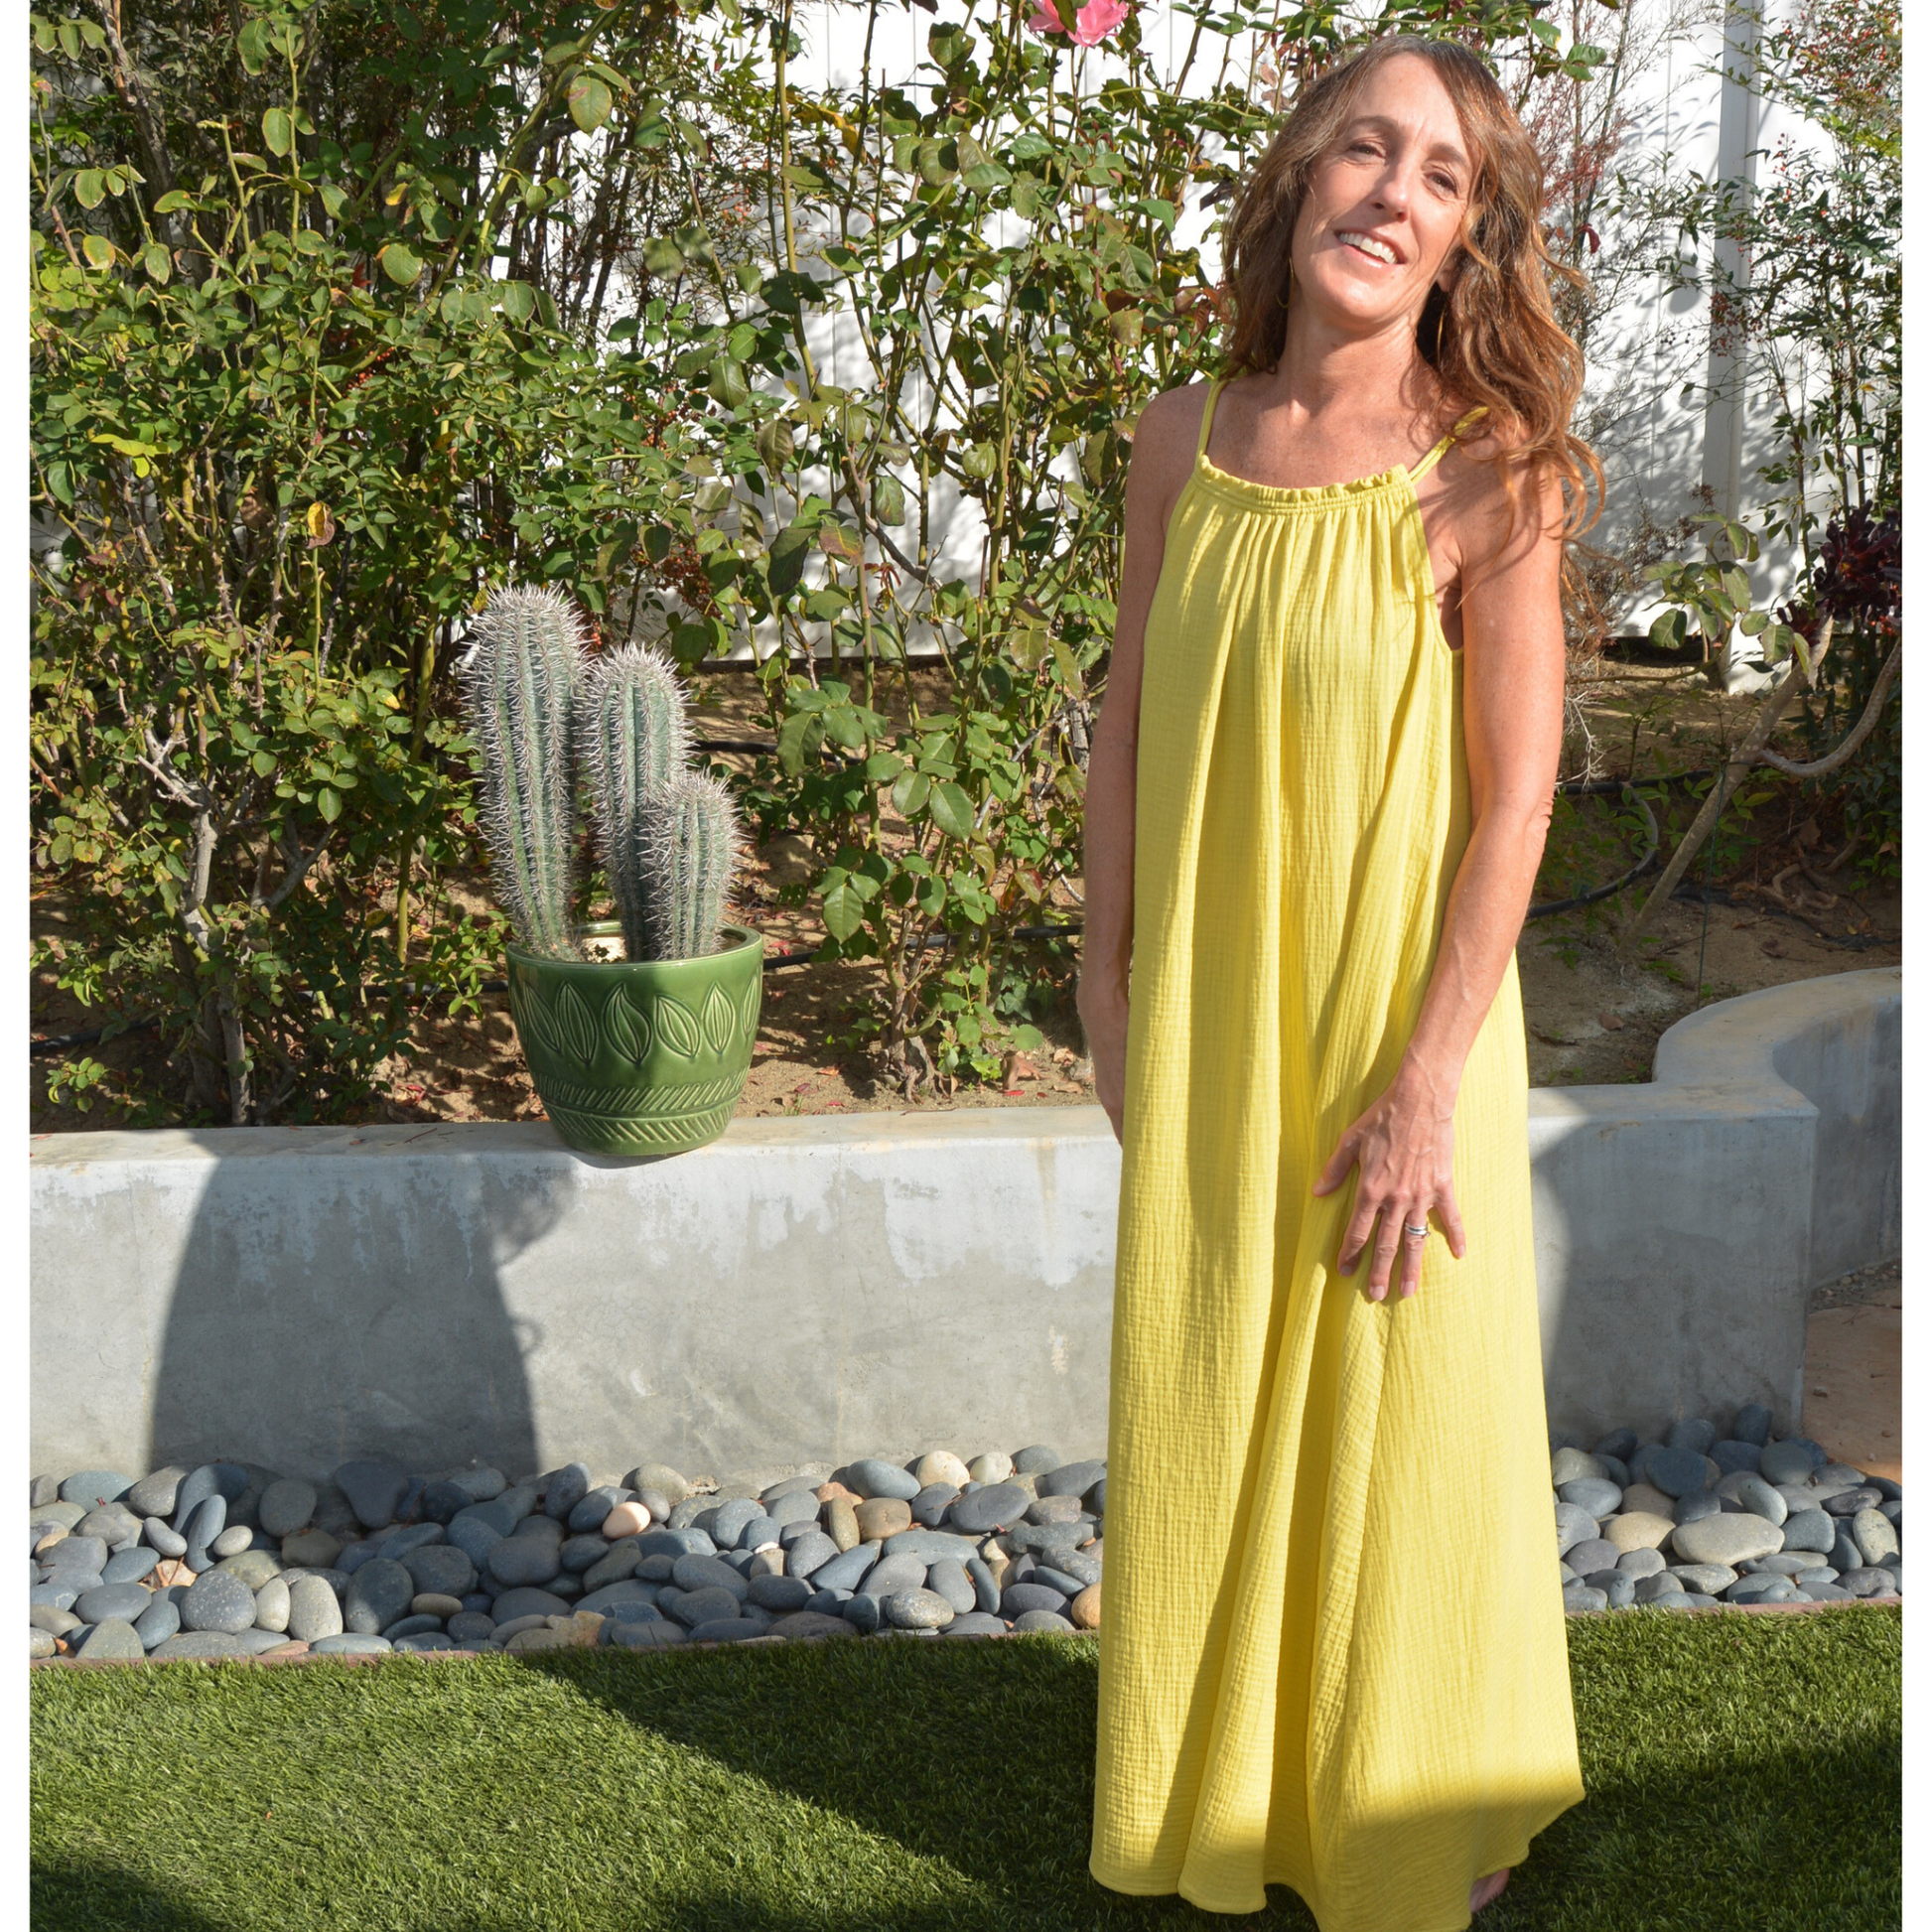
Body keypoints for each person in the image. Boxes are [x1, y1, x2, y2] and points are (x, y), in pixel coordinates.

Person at [1077, 32, 1601, 1932]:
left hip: (1403, 1011)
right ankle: (1240, 1802)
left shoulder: (1488, 469)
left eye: (1440, 176)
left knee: (1395, 1392)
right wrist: (1103, 972)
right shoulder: (1177, 438)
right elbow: (1128, 715)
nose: (1391, 194)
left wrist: (1429, 1069)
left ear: (1464, 239)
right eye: (1364, 151)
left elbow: (1515, 790)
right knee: (1218, 1364)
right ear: (1301, 177)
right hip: (1219, 1005)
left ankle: (1408, 1827)